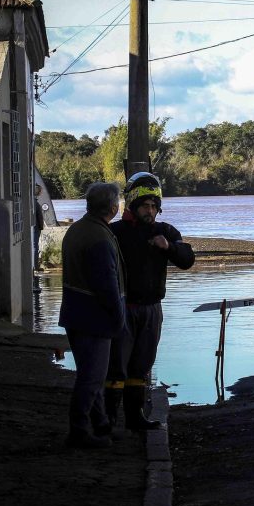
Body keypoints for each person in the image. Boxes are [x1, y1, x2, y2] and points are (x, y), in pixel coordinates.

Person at [106, 171, 195, 432]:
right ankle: (108, 420)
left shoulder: (165, 231)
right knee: (116, 367)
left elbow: (188, 259)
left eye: (154, 206)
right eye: (146, 205)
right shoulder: (115, 233)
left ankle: (135, 417)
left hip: (152, 309)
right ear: (133, 204)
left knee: (142, 365)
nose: (151, 210)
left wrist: (168, 247)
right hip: (122, 308)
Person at [59, 182, 126, 449]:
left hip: (75, 314)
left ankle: (101, 425)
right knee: (91, 378)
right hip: (93, 318)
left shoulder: (78, 229)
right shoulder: (98, 238)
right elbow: (106, 284)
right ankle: (79, 430)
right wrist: (119, 317)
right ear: (113, 207)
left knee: (92, 375)